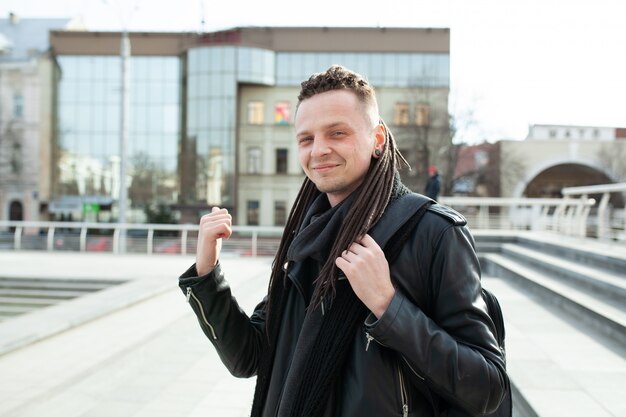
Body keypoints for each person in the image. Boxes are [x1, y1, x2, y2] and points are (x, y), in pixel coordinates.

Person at [179, 65, 507, 417]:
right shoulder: (305, 241)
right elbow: (249, 356)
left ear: (377, 138)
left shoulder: (434, 234)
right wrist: (207, 273)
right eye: (306, 138)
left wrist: (388, 305)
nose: (319, 150)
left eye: (337, 133)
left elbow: (487, 387)